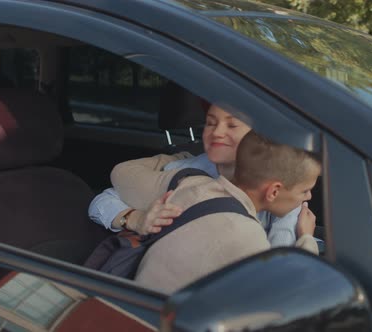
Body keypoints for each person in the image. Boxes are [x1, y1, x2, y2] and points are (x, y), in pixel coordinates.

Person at [88, 104, 312, 246]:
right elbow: (103, 201)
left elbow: (280, 261)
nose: (217, 133)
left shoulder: (284, 184)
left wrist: (305, 238)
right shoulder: (187, 171)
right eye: (210, 123)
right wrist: (137, 219)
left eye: (232, 125)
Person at [133, 130, 321, 293]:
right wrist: (306, 238)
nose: (309, 197)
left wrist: (137, 218)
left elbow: (123, 176)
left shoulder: (194, 185)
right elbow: (286, 297)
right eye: (304, 190)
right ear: (273, 191)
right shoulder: (246, 235)